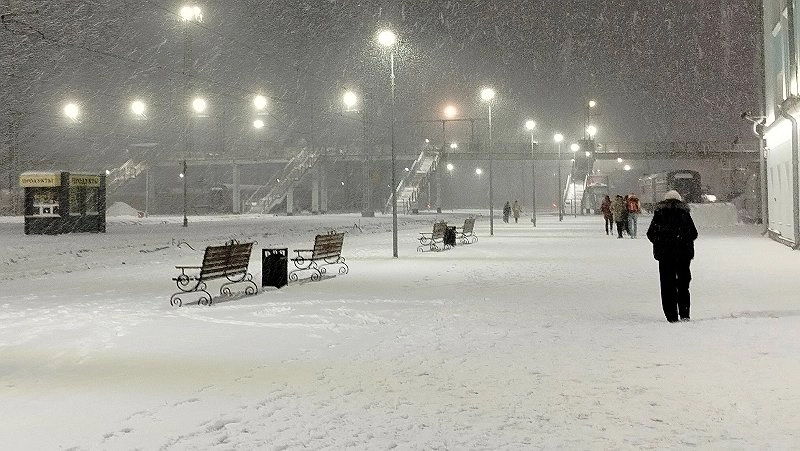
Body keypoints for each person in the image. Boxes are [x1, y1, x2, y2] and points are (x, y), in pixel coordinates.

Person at [646, 190, 698, 323]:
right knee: (683, 284)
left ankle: (671, 315)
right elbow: (694, 233)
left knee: (667, 285)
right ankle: (684, 313)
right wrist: (684, 242)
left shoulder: (659, 213)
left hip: (665, 255)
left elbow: (650, 233)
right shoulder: (684, 213)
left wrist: (660, 243)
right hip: (683, 255)